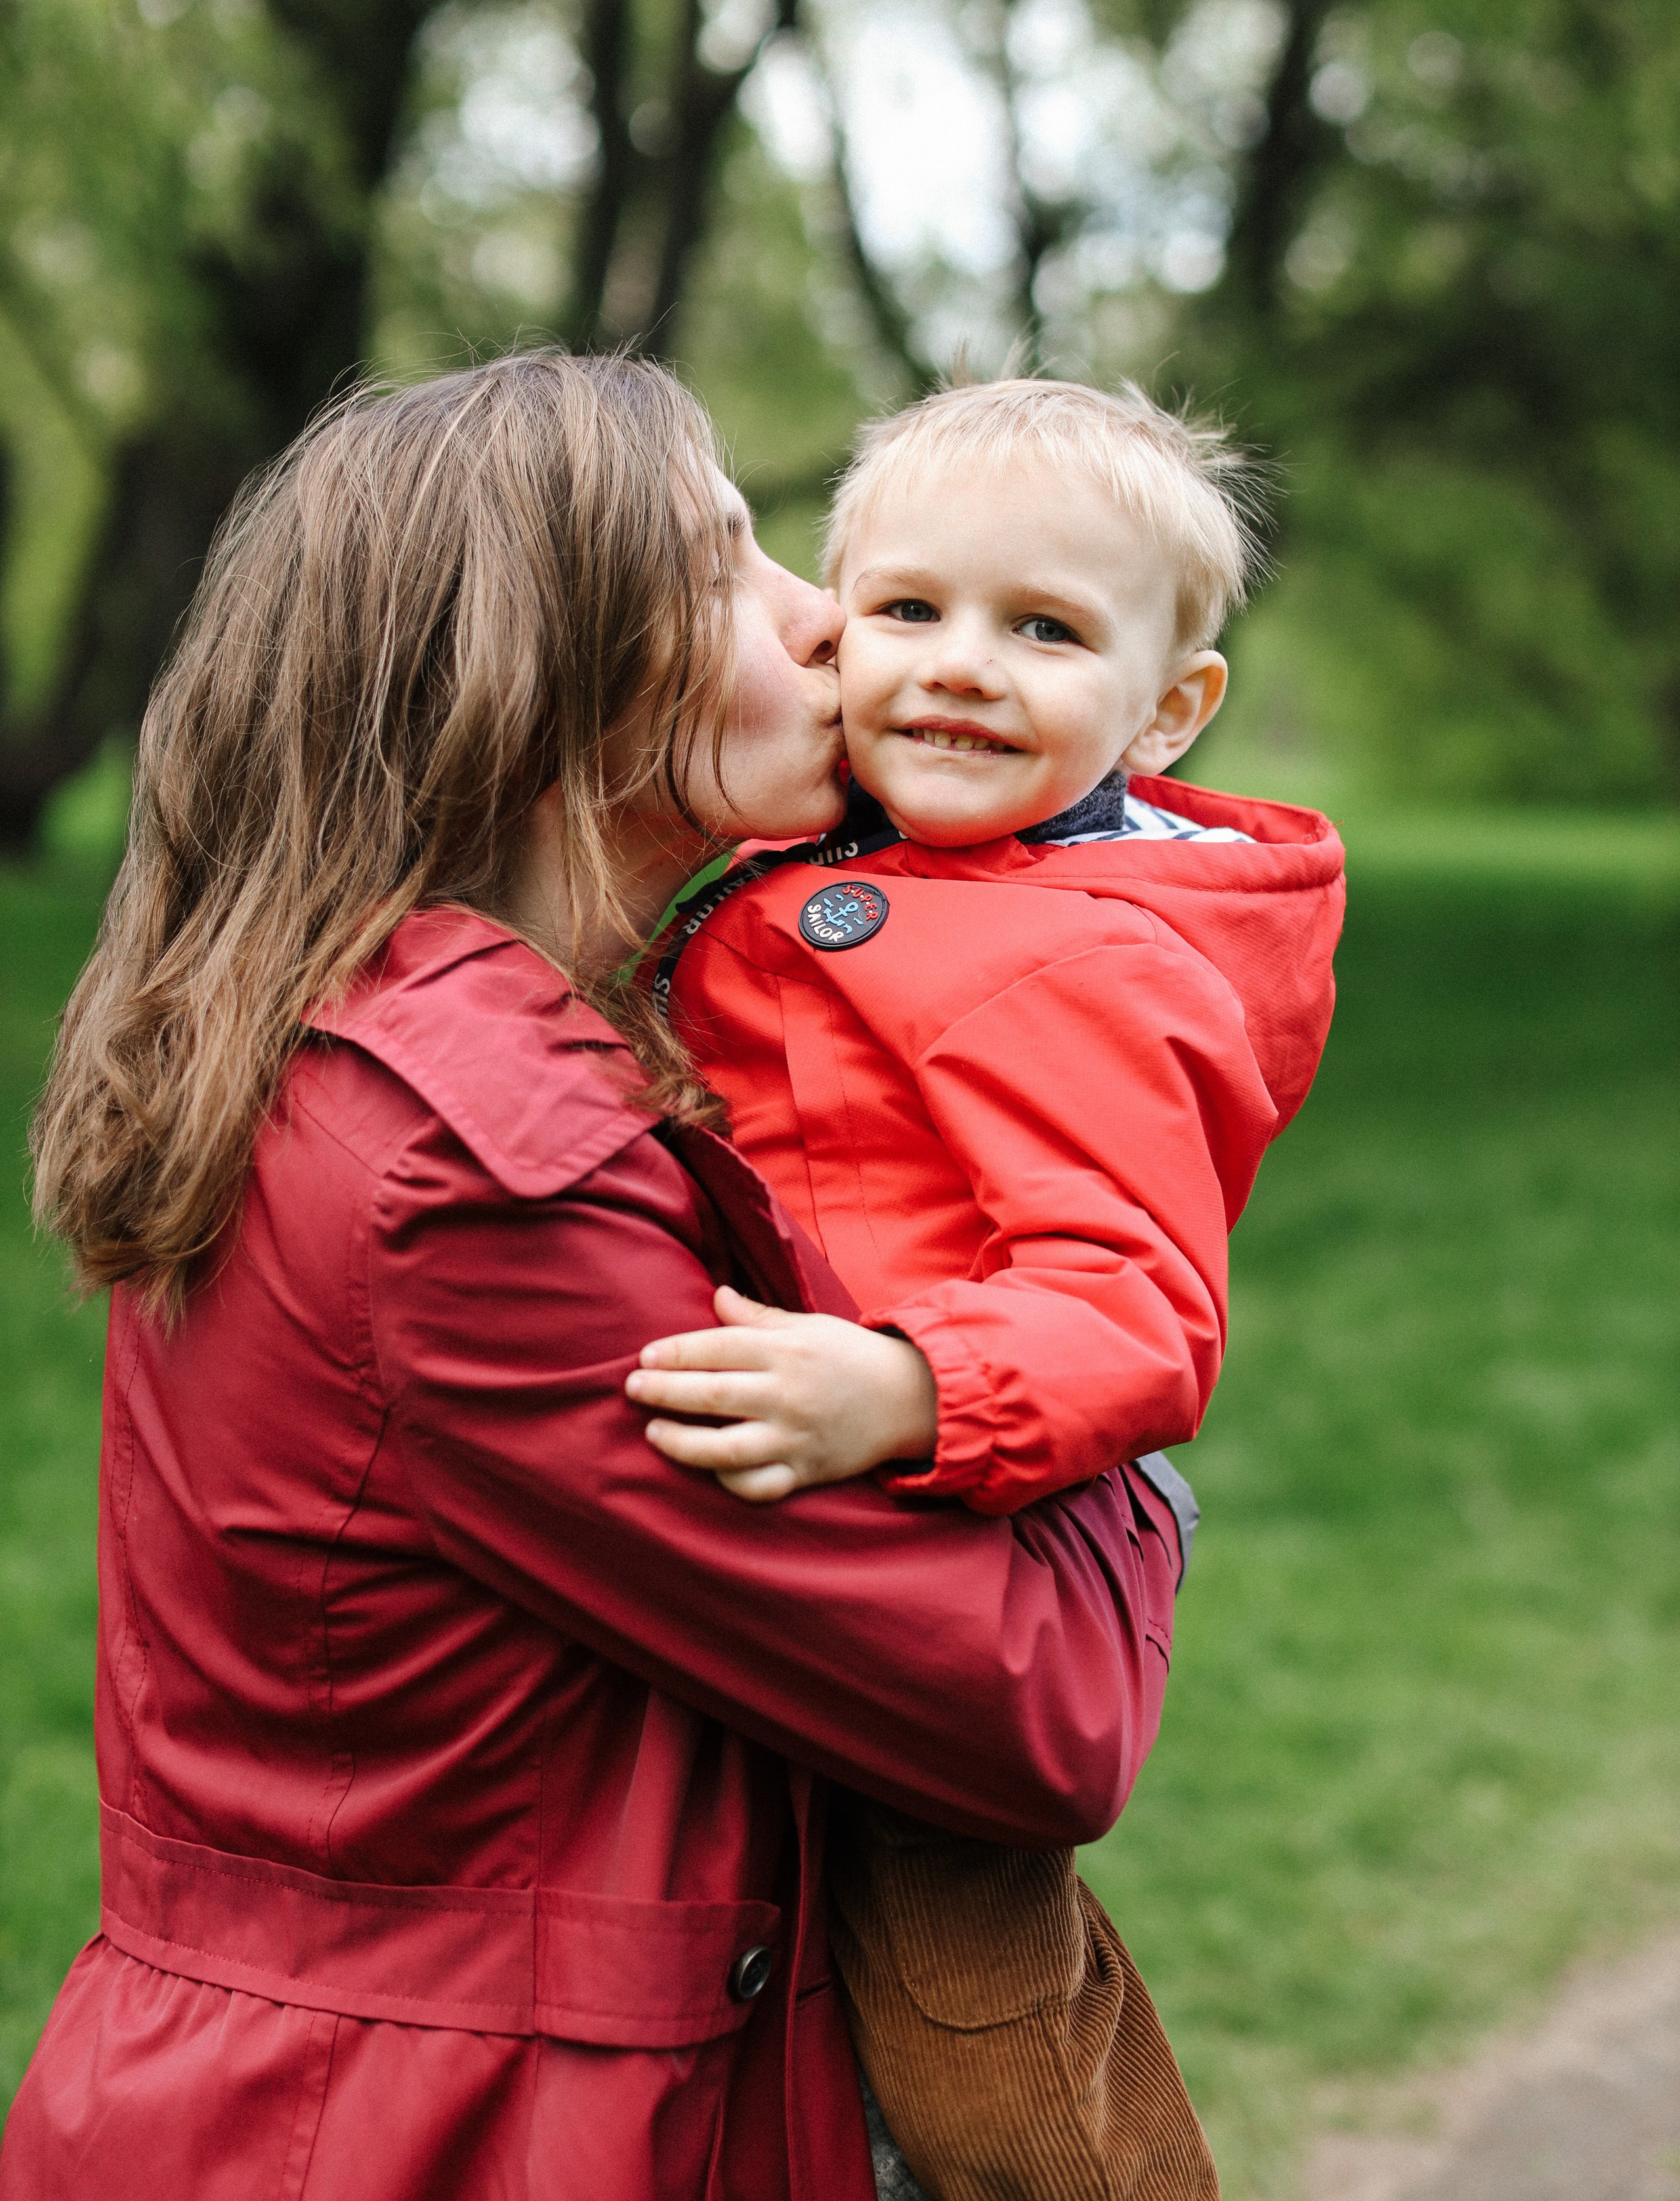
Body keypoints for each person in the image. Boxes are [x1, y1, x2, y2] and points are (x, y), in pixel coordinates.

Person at [0, 354, 1192, 2201]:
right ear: (547, 682)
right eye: (729, 568)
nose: (828, 623)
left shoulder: (399, 1054)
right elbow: (1043, 1711)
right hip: (412, 2138)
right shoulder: (470, 1174)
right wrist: (1124, 1410)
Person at [636, 377, 1347, 2201]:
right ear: (833, 629)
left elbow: (1134, 1307)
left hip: (973, 1518)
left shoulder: (1092, 959)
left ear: (1168, 708)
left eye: (1045, 631)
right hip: (828, 1505)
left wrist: (907, 1385)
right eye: (910, 609)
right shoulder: (830, 856)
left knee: (980, 2034)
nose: (961, 665)